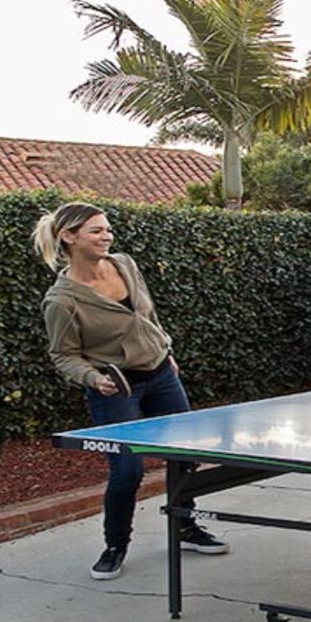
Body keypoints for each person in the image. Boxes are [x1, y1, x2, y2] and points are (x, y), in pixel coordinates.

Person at [33, 202, 227, 581]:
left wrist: (164, 349)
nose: (106, 236)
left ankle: (185, 526)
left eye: (107, 229)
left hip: (161, 375)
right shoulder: (62, 300)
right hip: (116, 388)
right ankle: (115, 545)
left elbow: (147, 314)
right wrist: (94, 379)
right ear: (69, 237)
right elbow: (63, 355)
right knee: (127, 469)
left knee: (185, 455)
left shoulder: (124, 264)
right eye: (96, 231)